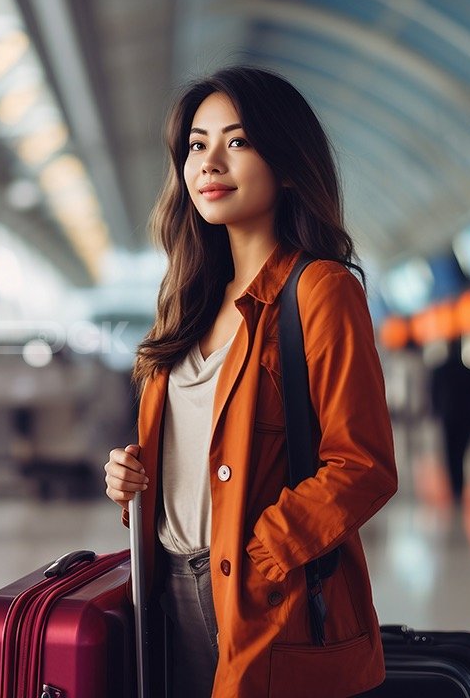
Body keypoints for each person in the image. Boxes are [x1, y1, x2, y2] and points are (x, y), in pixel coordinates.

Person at [103, 67, 397, 697]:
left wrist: (263, 555)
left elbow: (363, 464)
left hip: (266, 593)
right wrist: (133, 480)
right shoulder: (188, 301)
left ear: (288, 165)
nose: (209, 162)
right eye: (195, 145)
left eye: (235, 142)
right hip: (165, 590)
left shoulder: (321, 290)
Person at [430, 339, 470, 503]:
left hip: (449, 417)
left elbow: (434, 393)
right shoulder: (469, 372)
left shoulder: (440, 370)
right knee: (460, 452)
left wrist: (437, 411)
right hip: (465, 417)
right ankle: (458, 485)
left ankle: (455, 485)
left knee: (451, 452)